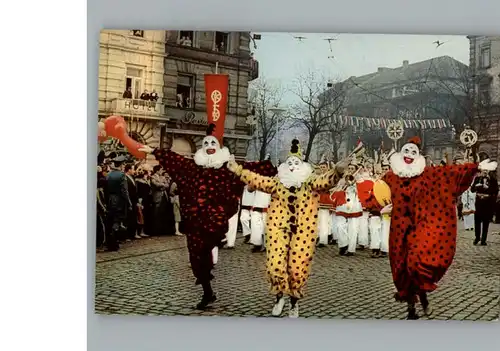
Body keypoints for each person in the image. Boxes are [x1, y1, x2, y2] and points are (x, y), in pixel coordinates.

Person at [137, 123, 276, 310]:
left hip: (214, 218)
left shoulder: (227, 168)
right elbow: (175, 160)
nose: (210, 146)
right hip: (195, 221)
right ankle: (207, 291)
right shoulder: (193, 167)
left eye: (213, 144)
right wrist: (154, 151)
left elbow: (250, 168)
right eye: (207, 144)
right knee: (197, 257)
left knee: (210, 241)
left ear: (218, 148)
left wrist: (274, 170)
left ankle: (215, 255)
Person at [380, 136, 497, 319]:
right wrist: (382, 206)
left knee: (415, 262)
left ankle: (423, 298)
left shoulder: (427, 175)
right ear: (400, 154)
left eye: (413, 152)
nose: (409, 155)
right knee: (402, 267)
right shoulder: (389, 177)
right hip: (399, 228)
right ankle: (411, 306)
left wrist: (476, 167)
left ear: (418, 156)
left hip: (421, 226)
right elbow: (377, 193)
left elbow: (449, 173)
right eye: (407, 151)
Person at [227, 139, 343, 318]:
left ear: (303, 165)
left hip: (302, 230)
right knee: (275, 265)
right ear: (283, 165)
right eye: (289, 162)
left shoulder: (310, 182)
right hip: (277, 228)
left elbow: (325, 182)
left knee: (297, 268)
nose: (292, 166)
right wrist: (238, 170)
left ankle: (294, 302)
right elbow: (257, 180)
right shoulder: (277, 182)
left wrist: (337, 172)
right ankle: (279, 297)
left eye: (296, 163)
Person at [104, 155, 132, 251]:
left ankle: (110, 243)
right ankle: (114, 242)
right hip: (119, 200)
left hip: (110, 200)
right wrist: (129, 202)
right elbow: (125, 191)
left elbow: (105, 190)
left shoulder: (108, 175)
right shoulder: (122, 175)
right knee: (117, 221)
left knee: (110, 220)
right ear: (121, 165)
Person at [471, 170, 499, 245]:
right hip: (479, 203)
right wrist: (476, 186)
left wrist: (488, 188)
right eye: (484, 170)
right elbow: (472, 190)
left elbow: (495, 191)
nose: (485, 172)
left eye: (486, 170)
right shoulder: (477, 179)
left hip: (487, 203)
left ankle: (483, 239)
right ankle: (477, 237)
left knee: (486, 222)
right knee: (477, 222)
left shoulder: (493, 180)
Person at [124, 164, 140, 240]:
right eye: (133, 169)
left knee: (134, 217)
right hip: (129, 201)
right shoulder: (125, 178)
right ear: (129, 170)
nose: (134, 171)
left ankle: (132, 234)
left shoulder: (132, 177)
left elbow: (134, 190)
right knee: (129, 218)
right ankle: (128, 235)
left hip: (134, 200)